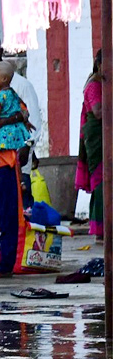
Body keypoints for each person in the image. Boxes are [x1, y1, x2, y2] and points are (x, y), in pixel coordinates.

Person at [0, 43, 41, 199]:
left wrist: (28, 145)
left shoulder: (20, 86)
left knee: (21, 201)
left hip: (17, 152)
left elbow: (33, 119)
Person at [76, 51, 104, 241]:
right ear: (99, 64)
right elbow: (98, 112)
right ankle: (101, 229)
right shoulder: (94, 84)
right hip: (97, 138)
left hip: (103, 135)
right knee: (102, 183)